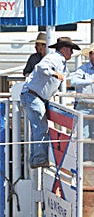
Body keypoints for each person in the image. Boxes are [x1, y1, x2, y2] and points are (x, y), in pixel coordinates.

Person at [20, 37, 80, 168]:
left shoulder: (58, 59)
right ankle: (39, 159)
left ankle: (37, 158)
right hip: (34, 96)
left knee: (38, 127)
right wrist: (53, 74)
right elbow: (42, 67)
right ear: (64, 49)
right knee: (40, 127)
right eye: (71, 50)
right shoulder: (54, 58)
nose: (72, 53)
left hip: (34, 96)